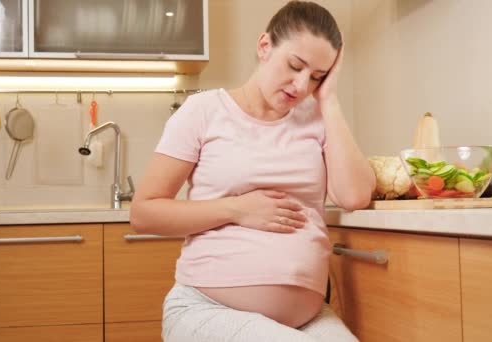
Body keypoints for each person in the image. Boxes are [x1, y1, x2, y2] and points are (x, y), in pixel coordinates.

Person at [130, 1, 375, 341]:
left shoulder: (317, 118)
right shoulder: (203, 111)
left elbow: (354, 195)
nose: (302, 85)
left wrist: (329, 99)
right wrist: (237, 208)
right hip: (207, 309)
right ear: (264, 46)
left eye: (317, 77)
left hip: (305, 319)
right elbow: (144, 212)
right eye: (295, 65)